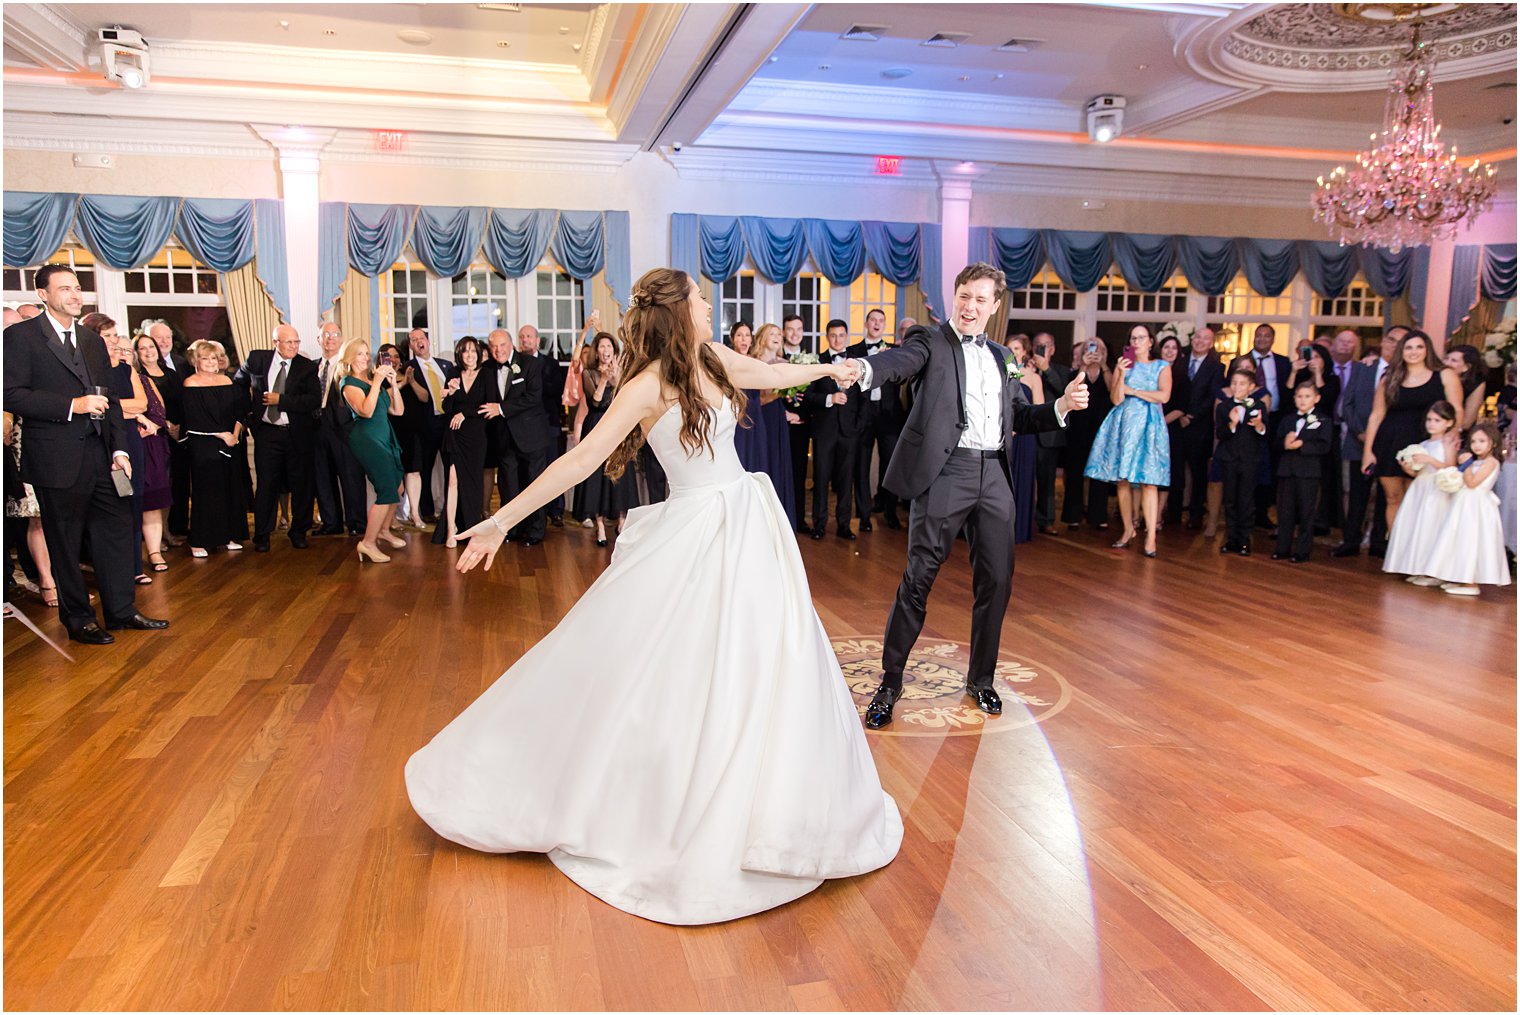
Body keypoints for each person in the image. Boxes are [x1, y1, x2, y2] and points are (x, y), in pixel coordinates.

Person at [408, 266, 901, 926]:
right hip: (695, 528)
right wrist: (501, 518)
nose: (708, 301)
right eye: (699, 295)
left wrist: (826, 371)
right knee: (667, 667)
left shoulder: (716, 356)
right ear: (678, 310)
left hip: (748, 522)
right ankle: (655, 795)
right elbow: (579, 461)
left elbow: (767, 375)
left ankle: (772, 800)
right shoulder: (646, 385)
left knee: (767, 657)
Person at [850, 263, 1089, 728]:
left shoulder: (1003, 357)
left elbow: (1018, 415)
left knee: (997, 582)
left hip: (994, 474)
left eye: (980, 299)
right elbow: (899, 361)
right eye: (964, 296)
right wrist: (864, 367)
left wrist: (1060, 406)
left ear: (994, 307)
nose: (970, 306)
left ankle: (981, 679)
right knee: (918, 578)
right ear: (955, 296)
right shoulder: (930, 341)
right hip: (947, 471)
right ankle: (890, 681)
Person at [3, 266, 167, 643]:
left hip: (102, 457)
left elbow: (108, 399)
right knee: (65, 541)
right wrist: (72, 405)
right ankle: (78, 620)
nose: (75, 295)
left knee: (113, 534)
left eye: (78, 288)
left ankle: (121, 612)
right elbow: (10, 393)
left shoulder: (91, 341)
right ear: (43, 294)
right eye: (65, 289)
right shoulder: (21, 337)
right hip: (55, 459)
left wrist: (121, 449)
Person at [1363, 329, 1465, 542]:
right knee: (1392, 497)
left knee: (1419, 498)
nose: (1414, 352)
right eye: (1408, 347)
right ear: (1402, 351)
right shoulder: (1389, 377)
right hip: (1389, 441)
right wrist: (1368, 451)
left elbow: (1456, 409)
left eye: (1419, 347)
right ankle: (1397, 551)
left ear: (1427, 349)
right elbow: (1376, 415)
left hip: (1426, 443)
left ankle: (1417, 551)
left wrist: (1453, 437)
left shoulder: (1444, 374)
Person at [1085, 325, 1170, 558]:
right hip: (1123, 425)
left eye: (1141, 337)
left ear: (1151, 341)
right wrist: (1121, 375)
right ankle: (1127, 529)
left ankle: (1151, 535)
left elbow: (1164, 395)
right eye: (1133, 338)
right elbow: (1116, 398)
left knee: (1149, 481)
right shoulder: (1124, 365)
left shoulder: (1161, 366)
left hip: (1149, 426)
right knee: (1122, 480)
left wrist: (1135, 391)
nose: (1137, 341)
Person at [233, 324, 320, 552]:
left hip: (297, 434)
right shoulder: (257, 359)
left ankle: (299, 532)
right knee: (267, 485)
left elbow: (312, 401)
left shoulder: (306, 367)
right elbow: (238, 383)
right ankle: (262, 535)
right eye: (289, 342)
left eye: (296, 342)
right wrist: (250, 415)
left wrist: (280, 400)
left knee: (301, 485)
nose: (294, 346)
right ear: (275, 343)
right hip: (267, 433)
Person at [89, 314, 148, 583]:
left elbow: (142, 404)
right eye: (107, 336)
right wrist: (122, 409)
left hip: (130, 442)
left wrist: (113, 407)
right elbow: (95, 408)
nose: (114, 341)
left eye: (115, 335)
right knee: (108, 508)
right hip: (103, 442)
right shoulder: (90, 369)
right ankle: (110, 572)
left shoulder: (126, 368)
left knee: (133, 501)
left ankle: (135, 567)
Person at [338, 338, 408, 563]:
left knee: (397, 487)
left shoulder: (371, 381)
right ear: (350, 358)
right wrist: (377, 382)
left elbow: (398, 411)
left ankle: (384, 531)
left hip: (385, 436)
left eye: (367, 353)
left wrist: (393, 384)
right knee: (387, 489)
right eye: (360, 354)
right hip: (367, 440)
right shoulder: (349, 384)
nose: (366, 358)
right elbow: (366, 412)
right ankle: (367, 543)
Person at [1335, 327, 1404, 557]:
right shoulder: (1363, 368)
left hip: (1389, 444)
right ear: (1383, 341)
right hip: (1358, 441)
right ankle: (1350, 540)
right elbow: (1347, 405)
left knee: (1387, 496)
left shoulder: (1405, 373)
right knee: (1357, 494)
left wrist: (1379, 438)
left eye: (1400, 342)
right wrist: (1361, 433)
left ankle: (1378, 542)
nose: (1394, 345)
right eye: (1391, 340)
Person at [1421, 422, 1511, 596]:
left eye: (1482, 441)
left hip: (1476, 506)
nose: (1476, 445)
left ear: (1493, 442)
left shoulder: (1491, 462)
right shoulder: (1479, 461)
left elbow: (1472, 483)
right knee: (1461, 539)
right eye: (1474, 441)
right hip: (1465, 504)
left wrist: (1467, 466)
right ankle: (1460, 577)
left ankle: (1471, 582)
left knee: (1473, 540)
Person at [482, 328, 548, 546]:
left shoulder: (530, 364)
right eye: (493, 346)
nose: (497, 350)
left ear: (511, 344)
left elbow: (534, 397)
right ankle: (512, 528)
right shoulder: (488, 368)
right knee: (508, 485)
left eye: (501, 345)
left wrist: (501, 408)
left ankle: (536, 530)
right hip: (504, 438)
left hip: (531, 437)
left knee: (533, 484)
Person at [1381, 401, 1460, 583]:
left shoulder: (1447, 443)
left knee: (1432, 525)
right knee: (1418, 526)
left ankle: (1434, 571)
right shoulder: (1424, 443)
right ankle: (1419, 567)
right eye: (1429, 420)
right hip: (1421, 487)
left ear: (1448, 423)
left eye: (1437, 420)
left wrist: (1429, 459)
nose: (1431, 424)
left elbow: (1450, 466)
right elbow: (1417, 472)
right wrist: (1409, 468)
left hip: (1436, 489)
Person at [572, 333, 637, 546]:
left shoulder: (622, 371)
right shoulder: (588, 373)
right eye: (601, 346)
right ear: (596, 351)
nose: (605, 350)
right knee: (597, 478)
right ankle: (600, 524)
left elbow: (623, 397)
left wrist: (615, 376)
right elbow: (596, 403)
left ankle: (621, 521)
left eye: (609, 346)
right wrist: (603, 379)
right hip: (597, 425)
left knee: (620, 474)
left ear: (613, 350)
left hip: (617, 427)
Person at [804, 319, 862, 540]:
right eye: (833, 335)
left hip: (849, 432)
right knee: (821, 479)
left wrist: (858, 426)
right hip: (824, 431)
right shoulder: (818, 362)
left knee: (846, 481)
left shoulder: (857, 364)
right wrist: (829, 397)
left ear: (846, 336)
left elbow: (863, 399)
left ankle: (844, 525)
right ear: (827, 337)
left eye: (841, 335)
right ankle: (819, 525)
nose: (837, 339)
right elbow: (808, 395)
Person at [311, 323, 367, 536]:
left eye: (335, 334)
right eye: (326, 334)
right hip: (317, 428)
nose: (330, 338)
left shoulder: (350, 367)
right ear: (319, 340)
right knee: (323, 478)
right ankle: (331, 523)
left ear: (341, 340)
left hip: (345, 429)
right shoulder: (312, 366)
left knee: (351, 477)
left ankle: (357, 524)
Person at [434, 336, 489, 548]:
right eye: (465, 351)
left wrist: (465, 413)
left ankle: (472, 527)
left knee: (473, 483)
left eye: (473, 351)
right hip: (455, 435)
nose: (469, 355)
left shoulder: (487, 375)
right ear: (460, 353)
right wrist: (452, 393)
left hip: (476, 436)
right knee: (453, 481)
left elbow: (489, 405)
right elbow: (447, 408)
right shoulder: (453, 373)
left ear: (478, 353)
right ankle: (451, 529)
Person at [852, 308, 904, 531]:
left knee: (890, 464)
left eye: (881, 320)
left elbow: (902, 379)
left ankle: (890, 511)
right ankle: (863, 516)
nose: (876, 323)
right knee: (861, 465)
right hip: (863, 414)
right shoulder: (853, 351)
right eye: (873, 319)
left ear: (884, 325)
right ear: (866, 323)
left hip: (889, 415)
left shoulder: (894, 350)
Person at [1272, 380, 1335, 562]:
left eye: (1307, 396)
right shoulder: (1288, 420)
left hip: (1308, 472)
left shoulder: (1323, 420)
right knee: (1285, 512)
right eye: (1299, 396)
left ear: (1316, 398)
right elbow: (1275, 443)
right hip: (1287, 470)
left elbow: (1325, 446)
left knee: (1307, 513)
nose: (1302, 400)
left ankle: (1302, 551)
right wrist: (1284, 443)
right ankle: (1282, 548)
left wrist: (1303, 444)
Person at [1169, 326, 1224, 529]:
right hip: (1176, 424)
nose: (1200, 341)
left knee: (1198, 472)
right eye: (1198, 337)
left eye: (1205, 339)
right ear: (1193, 340)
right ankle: (1173, 512)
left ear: (1211, 344)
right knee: (1175, 470)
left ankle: (1195, 514)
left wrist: (1190, 415)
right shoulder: (1179, 360)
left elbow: (1212, 396)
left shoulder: (1217, 367)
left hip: (1199, 427)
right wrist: (1180, 413)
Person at [3, 410, 57, 606]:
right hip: (26, 444)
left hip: (61, 441)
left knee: (64, 519)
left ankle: (68, 584)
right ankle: (46, 581)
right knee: (37, 517)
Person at [131, 334, 174, 573]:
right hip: (123, 445)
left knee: (153, 503)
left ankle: (155, 553)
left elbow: (158, 412)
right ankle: (132, 559)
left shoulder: (144, 380)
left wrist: (149, 426)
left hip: (151, 446)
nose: (125, 355)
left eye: (127, 351)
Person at [401, 329, 454, 523]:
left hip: (448, 424)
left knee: (451, 468)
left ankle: (452, 508)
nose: (418, 342)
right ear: (411, 346)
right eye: (414, 340)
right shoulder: (408, 368)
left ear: (428, 341)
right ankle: (427, 510)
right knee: (424, 469)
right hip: (424, 426)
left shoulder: (446, 366)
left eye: (421, 338)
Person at [1061, 337, 1113, 530]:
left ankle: (1098, 515)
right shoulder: (1076, 372)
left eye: (1098, 347)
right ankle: (1073, 515)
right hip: (1078, 428)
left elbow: (1112, 389)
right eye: (1090, 348)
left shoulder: (1109, 370)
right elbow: (1074, 389)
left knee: (1099, 473)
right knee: (1074, 472)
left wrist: (1103, 365)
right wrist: (1084, 365)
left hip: (1102, 428)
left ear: (1104, 351)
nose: (1094, 351)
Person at [1215, 367, 1268, 555]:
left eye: (1242, 383)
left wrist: (1260, 425)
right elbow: (1220, 433)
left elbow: (1264, 433)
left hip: (1249, 460)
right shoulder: (1223, 407)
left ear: (1251, 387)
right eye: (1234, 383)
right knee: (1229, 500)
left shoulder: (1258, 407)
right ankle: (1231, 539)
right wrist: (1232, 423)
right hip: (1229, 459)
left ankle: (1245, 540)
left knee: (1246, 501)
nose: (1237, 387)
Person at [749, 322, 797, 531]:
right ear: (762, 338)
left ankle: (779, 518)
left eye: (779, 333)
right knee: (761, 460)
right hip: (757, 417)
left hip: (776, 418)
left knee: (777, 459)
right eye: (772, 333)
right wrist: (777, 391)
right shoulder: (752, 363)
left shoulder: (785, 363)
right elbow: (754, 397)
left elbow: (791, 396)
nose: (778, 336)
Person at [1249, 324, 1293, 528]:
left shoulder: (1284, 363)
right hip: (1248, 421)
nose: (1262, 339)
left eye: (1266, 336)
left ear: (1273, 339)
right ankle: (1248, 511)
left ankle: (1263, 511)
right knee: (1252, 464)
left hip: (1276, 419)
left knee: (1271, 465)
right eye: (1259, 335)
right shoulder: (1241, 361)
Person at [1030, 332, 1073, 535]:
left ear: (1053, 349)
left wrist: (1045, 369)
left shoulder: (1062, 371)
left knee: (1047, 481)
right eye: (1038, 345)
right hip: (1026, 433)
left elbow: (1065, 392)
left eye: (1045, 345)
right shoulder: (1023, 368)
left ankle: (1046, 520)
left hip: (1050, 435)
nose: (1041, 348)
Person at [1004, 333, 1042, 545]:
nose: (1013, 353)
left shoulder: (1033, 377)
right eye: (1009, 349)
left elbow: (1037, 410)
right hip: (1002, 434)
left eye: (1017, 349)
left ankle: (1019, 530)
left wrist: (1020, 425)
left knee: (1022, 482)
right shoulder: (999, 373)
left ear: (1025, 352)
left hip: (1024, 437)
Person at [780, 313, 812, 531]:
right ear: (784, 332)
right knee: (779, 472)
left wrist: (801, 416)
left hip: (801, 426)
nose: (794, 333)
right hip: (778, 425)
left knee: (799, 474)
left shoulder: (812, 359)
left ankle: (799, 520)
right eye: (790, 329)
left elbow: (816, 394)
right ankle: (781, 521)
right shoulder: (775, 357)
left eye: (798, 329)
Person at [728, 321, 768, 474]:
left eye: (747, 335)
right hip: (735, 417)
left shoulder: (758, 363)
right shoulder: (727, 362)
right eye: (739, 335)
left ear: (751, 339)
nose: (743, 339)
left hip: (756, 416)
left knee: (757, 459)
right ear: (733, 339)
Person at [1443, 344, 1487, 431]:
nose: (1447, 363)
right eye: (1446, 358)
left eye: (1454, 361)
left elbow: (1467, 422)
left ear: (1466, 367)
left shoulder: (1475, 385)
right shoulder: (1437, 378)